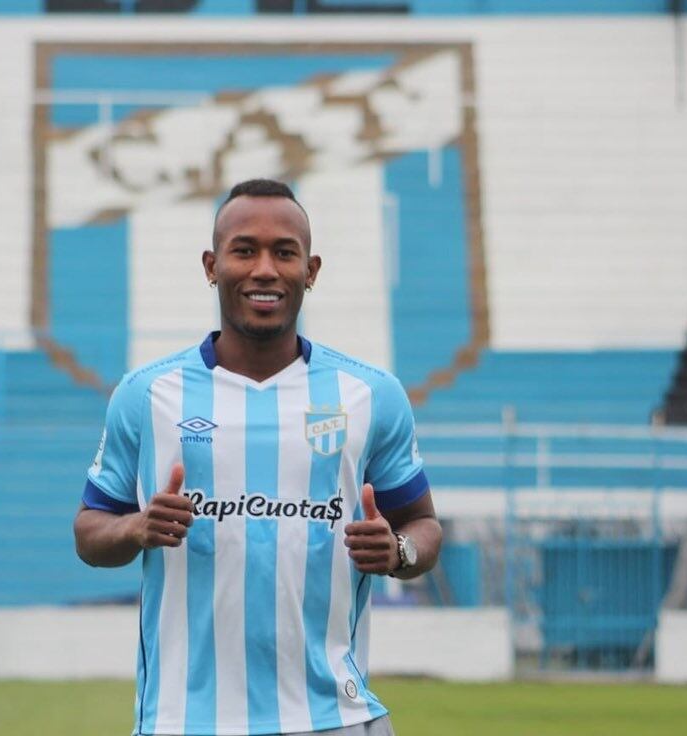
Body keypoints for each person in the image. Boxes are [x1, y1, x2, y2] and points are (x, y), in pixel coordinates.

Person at [74, 179, 442, 736]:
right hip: (184, 721)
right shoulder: (147, 394)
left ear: (311, 270)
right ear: (211, 265)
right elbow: (89, 534)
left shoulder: (370, 394)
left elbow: (424, 528)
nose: (264, 269)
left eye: (284, 252)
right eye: (244, 249)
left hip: (335, 719)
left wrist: (398, 549)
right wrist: (136, 527)